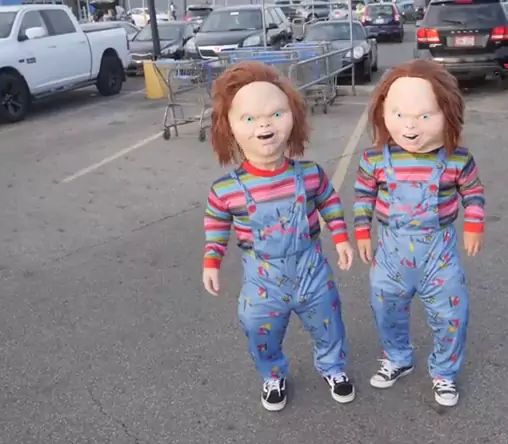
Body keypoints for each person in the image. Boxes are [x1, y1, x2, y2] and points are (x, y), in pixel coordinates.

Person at [202, 62, 356, 412]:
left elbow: (329, 202)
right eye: (249, 118)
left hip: (312, 272)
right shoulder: (225, 189)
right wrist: (211, 262)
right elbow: (216, 226)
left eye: (275, 114)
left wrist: (341, 238)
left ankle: (333, 367)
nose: (264, 126)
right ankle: (272, 375)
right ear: (229, 128)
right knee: (258, 328)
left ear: (294, 118)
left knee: (329, 323)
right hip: (262, 282)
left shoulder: (311, 174)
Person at [354, 59, 485, 407]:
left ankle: (444, 372)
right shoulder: (374, 159)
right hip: (390, 253)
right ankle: (398, 357)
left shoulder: (458, 159)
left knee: (452, 314)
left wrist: (474, 223)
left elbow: (473, 193)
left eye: (425, 116)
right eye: (399, 114)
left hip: (438, 253)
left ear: (449, 114)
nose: (410, 126)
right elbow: (363, 196)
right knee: (386, 307)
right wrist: (362, 231)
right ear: (383, 112)